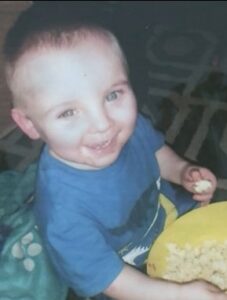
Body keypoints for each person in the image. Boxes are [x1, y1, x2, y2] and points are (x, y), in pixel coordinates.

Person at [3, 3, 226, 300]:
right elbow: (113, 281)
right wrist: (179, 294)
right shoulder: (63, 214)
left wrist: (183, 171)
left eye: (112, 95)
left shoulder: (129, 128)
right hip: (128, 280)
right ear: (29, 124)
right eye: (69, 112)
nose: (103, 123)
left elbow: (156, 153)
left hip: (168, 221)